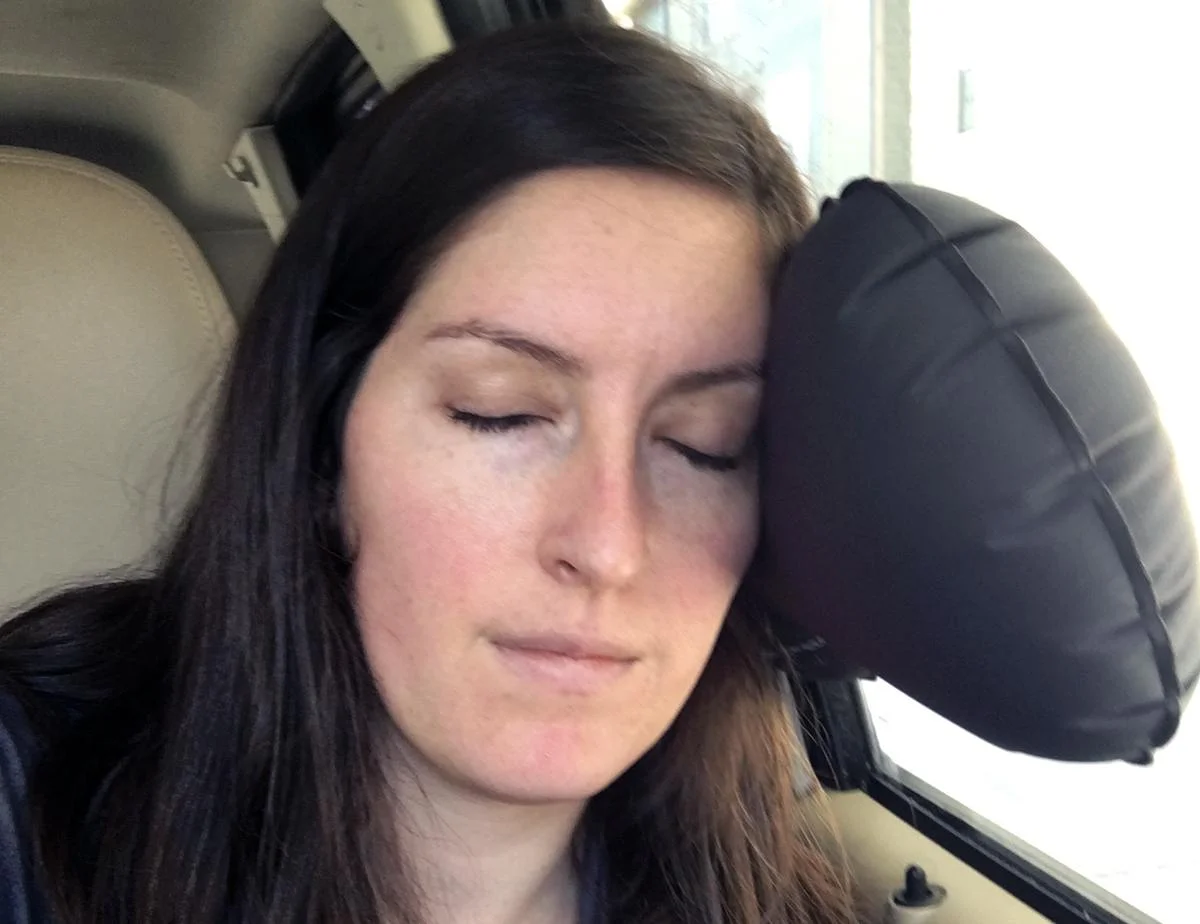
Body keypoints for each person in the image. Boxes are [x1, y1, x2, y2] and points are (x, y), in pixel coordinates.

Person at [0, 18, 857, 924]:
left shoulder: (780, 901)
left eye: (706, 444)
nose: (609, 547)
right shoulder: (27, 802)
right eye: (500, 412)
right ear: (323, 442)